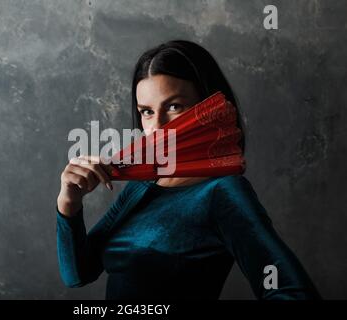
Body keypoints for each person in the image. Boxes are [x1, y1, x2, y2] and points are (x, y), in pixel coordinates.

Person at [56, 40, 321, 299]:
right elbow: (78, 274)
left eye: (174, 107)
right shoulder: (142, 186)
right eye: (147, 111)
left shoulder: (222, 192)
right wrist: (69, 201)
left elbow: (292, 292)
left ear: (208, 108)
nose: (158, 127)